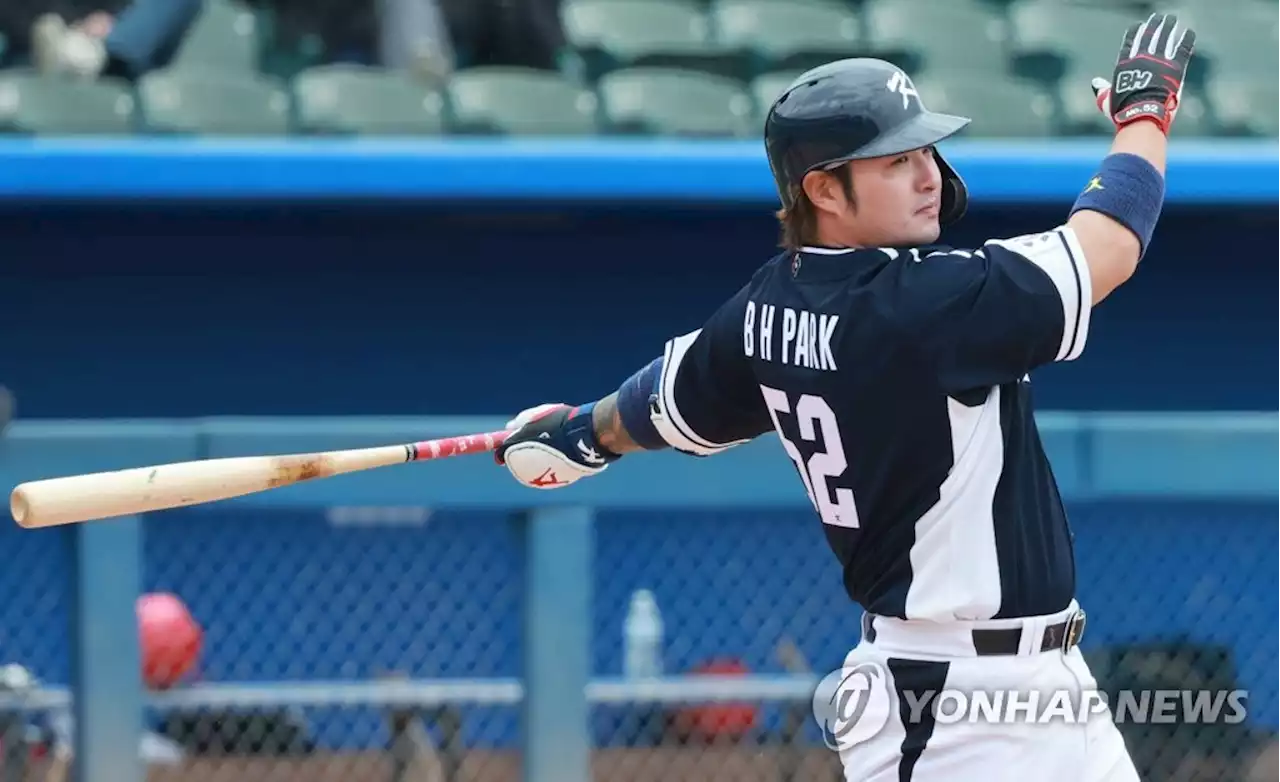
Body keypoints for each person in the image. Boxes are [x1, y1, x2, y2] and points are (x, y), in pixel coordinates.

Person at [494, 12, 1195, 781]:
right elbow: (1110, 246)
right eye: (896, 161)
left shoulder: (767, 305)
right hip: (952, 706)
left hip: (1030, 688)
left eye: (928, 150)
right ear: (824, 188)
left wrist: (581, 434)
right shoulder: (918, 304)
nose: (930, 174)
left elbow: (657, 402)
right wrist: (1144, 118)